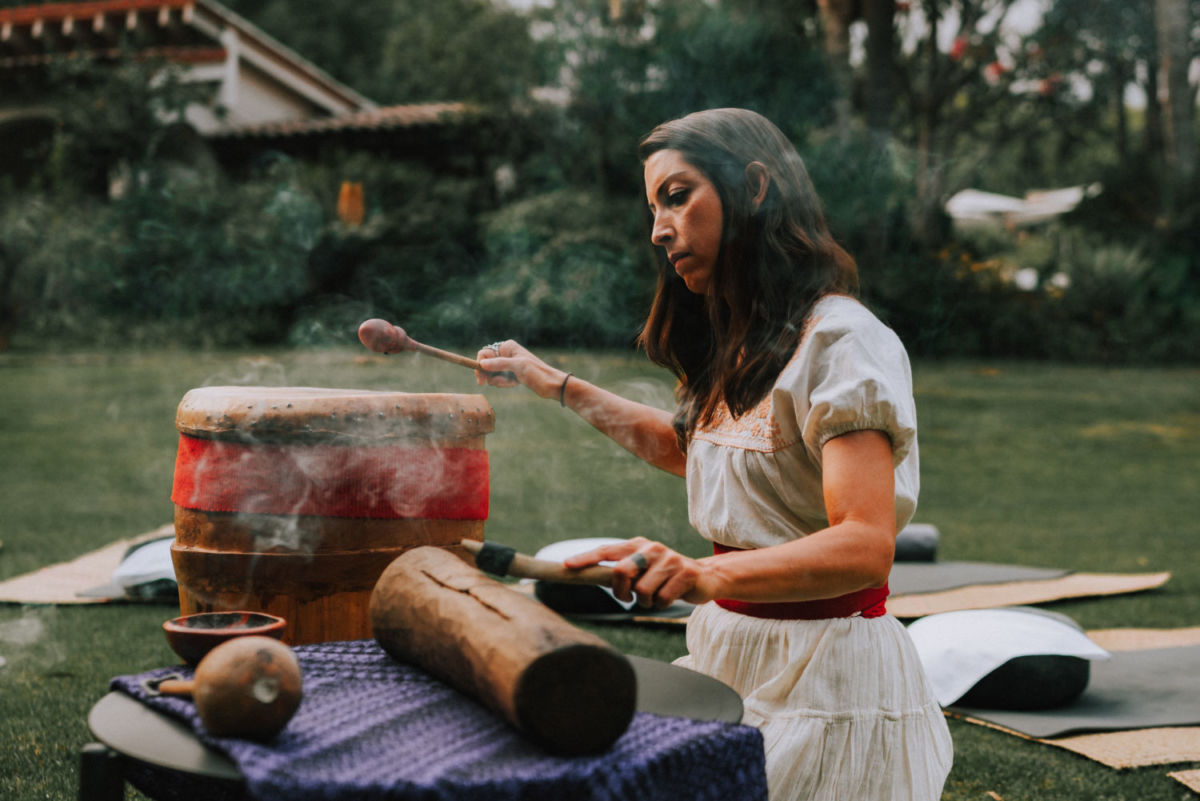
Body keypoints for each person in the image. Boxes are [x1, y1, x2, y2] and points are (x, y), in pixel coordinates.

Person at [475, 108, 953, 800]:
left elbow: (864, 543)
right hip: (729, 648)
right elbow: (696, 450)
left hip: (828, 672)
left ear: (754, 187)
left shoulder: (844, 342)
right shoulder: (741, 338)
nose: (658, 229)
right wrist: (556, 384)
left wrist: (701, 572)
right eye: (653, 208)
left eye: (676, 196)